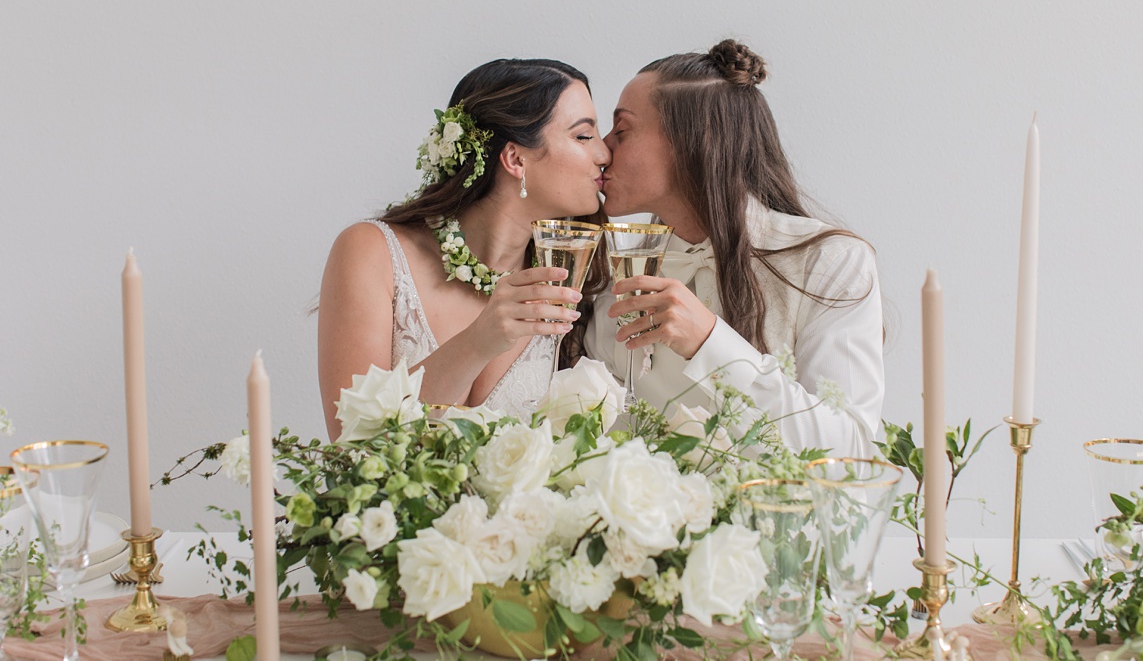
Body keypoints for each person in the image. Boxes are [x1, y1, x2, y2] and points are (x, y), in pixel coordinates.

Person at [585, 40, 884, 456]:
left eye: (622, 130)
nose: (601, 150)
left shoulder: (830, 261)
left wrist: (709, 342)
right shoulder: (617, 265)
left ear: (693, 141)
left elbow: (848, 450)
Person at [319, 58, 611, 439]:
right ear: (515, 158)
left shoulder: (576, 273)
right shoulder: (372, 252)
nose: (604, 154)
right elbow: (352, 443)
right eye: (584, 137)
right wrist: (480, 341)